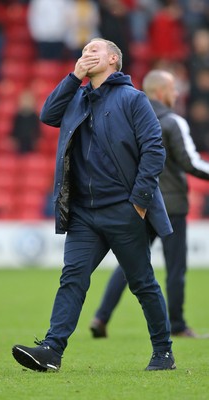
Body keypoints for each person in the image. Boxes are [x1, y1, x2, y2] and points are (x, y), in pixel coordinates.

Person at [12, 38, 176, 372]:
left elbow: (154, 149)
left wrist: (139, 203)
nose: (88, 54)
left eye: (95, 50)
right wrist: (73, 77)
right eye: (84, 51)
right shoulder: (76, 96)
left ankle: (163, 352)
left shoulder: (134, 99)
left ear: (114, 59)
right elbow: (47, 114)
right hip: (84, 213)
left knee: (142, 283)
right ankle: (51, 351)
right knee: (72, 278)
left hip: (124, 209)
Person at [90, 69, 209, 340]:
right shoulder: (172, 121)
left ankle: (101, 316)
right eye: (173, 89)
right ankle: (177, 325)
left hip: (140, 202)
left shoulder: (129, 118)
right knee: (176, 266)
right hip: (172, 204)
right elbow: (190, 161)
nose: (176, 94)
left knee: (130, 263)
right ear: (160, 91)